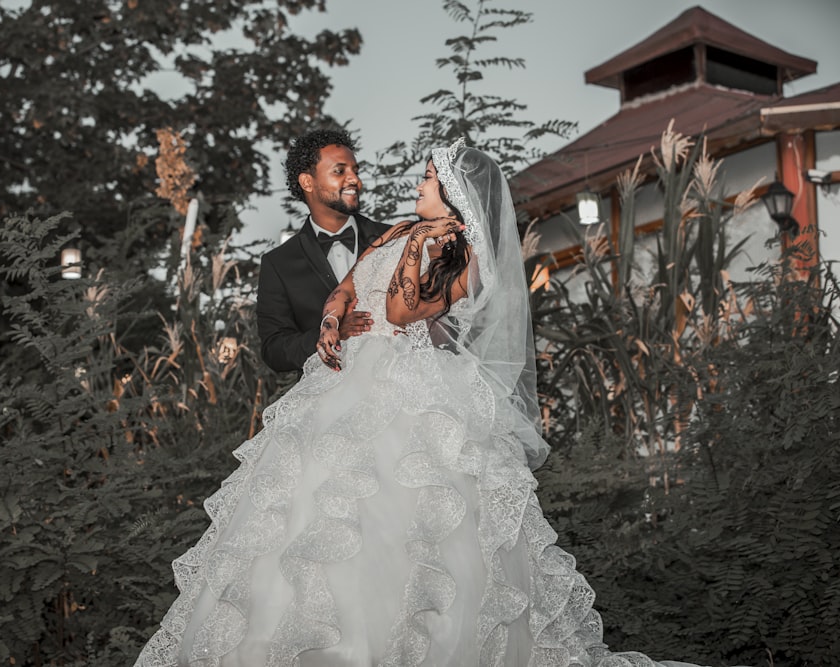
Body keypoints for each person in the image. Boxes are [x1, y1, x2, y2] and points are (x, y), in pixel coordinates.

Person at [136, 139, 700, 666]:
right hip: (339, 385)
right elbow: (347, 286)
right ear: (308, 181)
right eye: (342, 169)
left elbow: (406, 313)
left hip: (414, 386)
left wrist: (418, 248)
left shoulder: (456, 254)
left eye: (429, 177)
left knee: (415, 514)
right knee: (307, 506)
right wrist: (331, 321)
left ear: (454, 196)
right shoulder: (388, 234)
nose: (407, 182)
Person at [256, 128, 390, 373]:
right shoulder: (278, 264)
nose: (355, 181)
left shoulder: (392, 239)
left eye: (355, 171)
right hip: (325, 401)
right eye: (340, 171)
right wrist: (331, 333)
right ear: (307, 182)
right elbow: (274, 350)